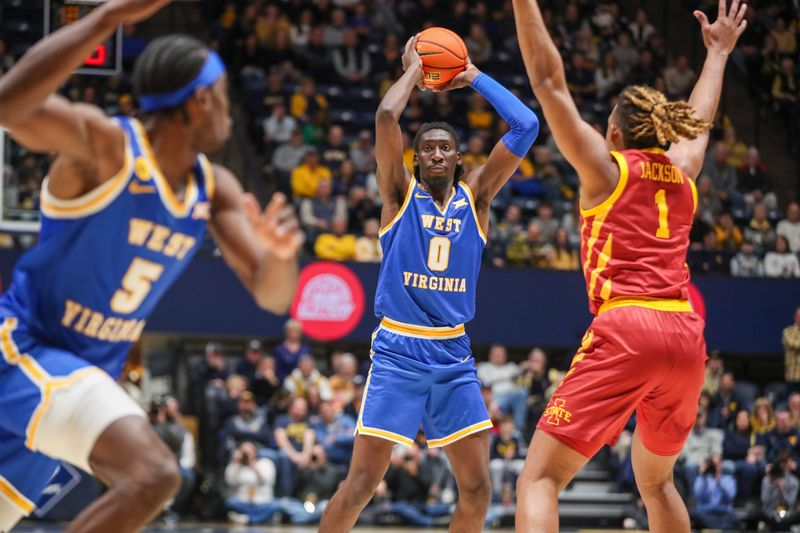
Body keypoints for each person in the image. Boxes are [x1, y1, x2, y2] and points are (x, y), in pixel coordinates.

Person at [0, 1, 304, 531]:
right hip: (27, 352)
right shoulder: (108, 147)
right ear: (201, 100)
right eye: (226, 100)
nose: (231, 116)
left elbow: (272, 296)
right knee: (154, 474)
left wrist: (281, 257)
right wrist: (103, 20)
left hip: (81, 377)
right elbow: (10, 107)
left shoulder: (213, 189)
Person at [511, 0, 746, 531]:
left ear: (613, 135)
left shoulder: (604, 170)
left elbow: (549, 83)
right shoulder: (682, 169)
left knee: (539, 480)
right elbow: (701, 120)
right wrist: (718, 54)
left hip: (629, 325)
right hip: (685, 335)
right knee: (657, 482)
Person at [319, 34, 539, 533]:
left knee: (478, 487)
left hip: (454, 355)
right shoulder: (397, 195)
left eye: (446, 148)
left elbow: (527, 125)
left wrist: (473, 76)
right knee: (360, 485)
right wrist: (416, 71)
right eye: (428, 150)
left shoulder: (477, 196)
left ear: (459, 160)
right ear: (415, 161)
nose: (437, 155)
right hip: (398, 351)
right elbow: (384, 119)